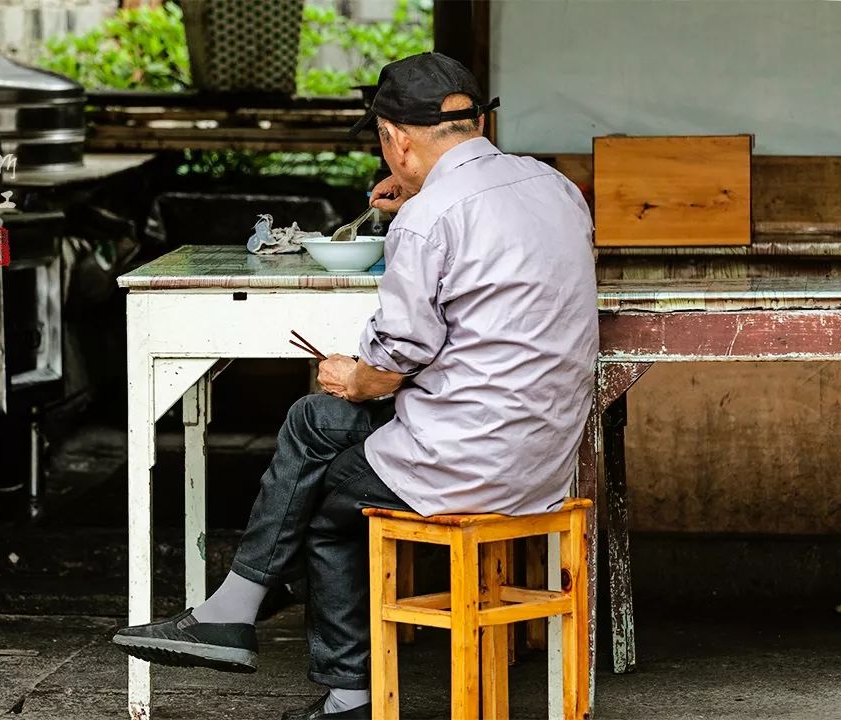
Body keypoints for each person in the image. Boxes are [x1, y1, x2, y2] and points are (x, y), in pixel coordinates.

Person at [112, 52, 599, 720]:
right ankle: (241, 602)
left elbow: (398, 359)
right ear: (479, 122)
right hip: (544, 456)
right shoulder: (554, 187)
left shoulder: (427, 221)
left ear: (394, 140)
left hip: (467, 459)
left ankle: (328, 682)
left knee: (325, 499)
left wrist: (355, 374)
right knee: (313, 423)